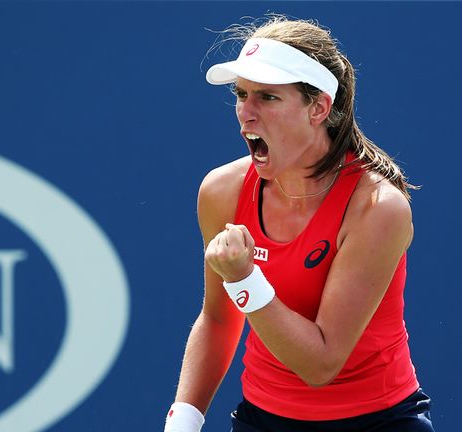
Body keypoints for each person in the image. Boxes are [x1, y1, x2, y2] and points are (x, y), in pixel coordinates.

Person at [163, 16, 434, 432]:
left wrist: (244, 278)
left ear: (319, 108)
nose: (246, 114)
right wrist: (182, 422)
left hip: (380, 423)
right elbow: (218, 320)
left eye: (268, 97)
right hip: (263, 420)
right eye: (241, 94)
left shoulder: (379, 207)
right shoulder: (222, 191)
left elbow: (320, 364)